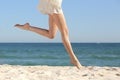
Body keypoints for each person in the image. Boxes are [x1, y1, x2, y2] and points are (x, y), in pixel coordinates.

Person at [15, 0, 82, 69]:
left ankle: (28, 28)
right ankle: (73, 59)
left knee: (51, 35)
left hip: (52, 5)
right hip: (53, 5)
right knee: (64, 33)